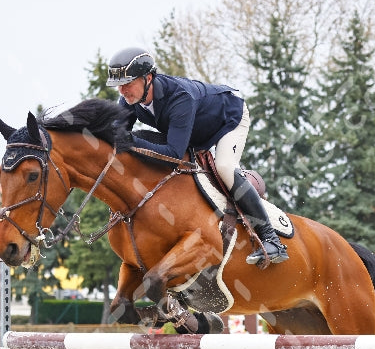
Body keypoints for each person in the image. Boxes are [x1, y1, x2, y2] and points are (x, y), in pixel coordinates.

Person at [106, 47, 289, 266]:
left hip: (229, 119)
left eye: (127, 83)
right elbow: (119, 138)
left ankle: (271, 239)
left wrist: (131, 142)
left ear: (148, 78)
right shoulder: (129, 100)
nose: (122, 90)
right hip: (194, 130)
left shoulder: (180, 97)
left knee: (225, 168)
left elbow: (173, 154)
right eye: (119, 85)